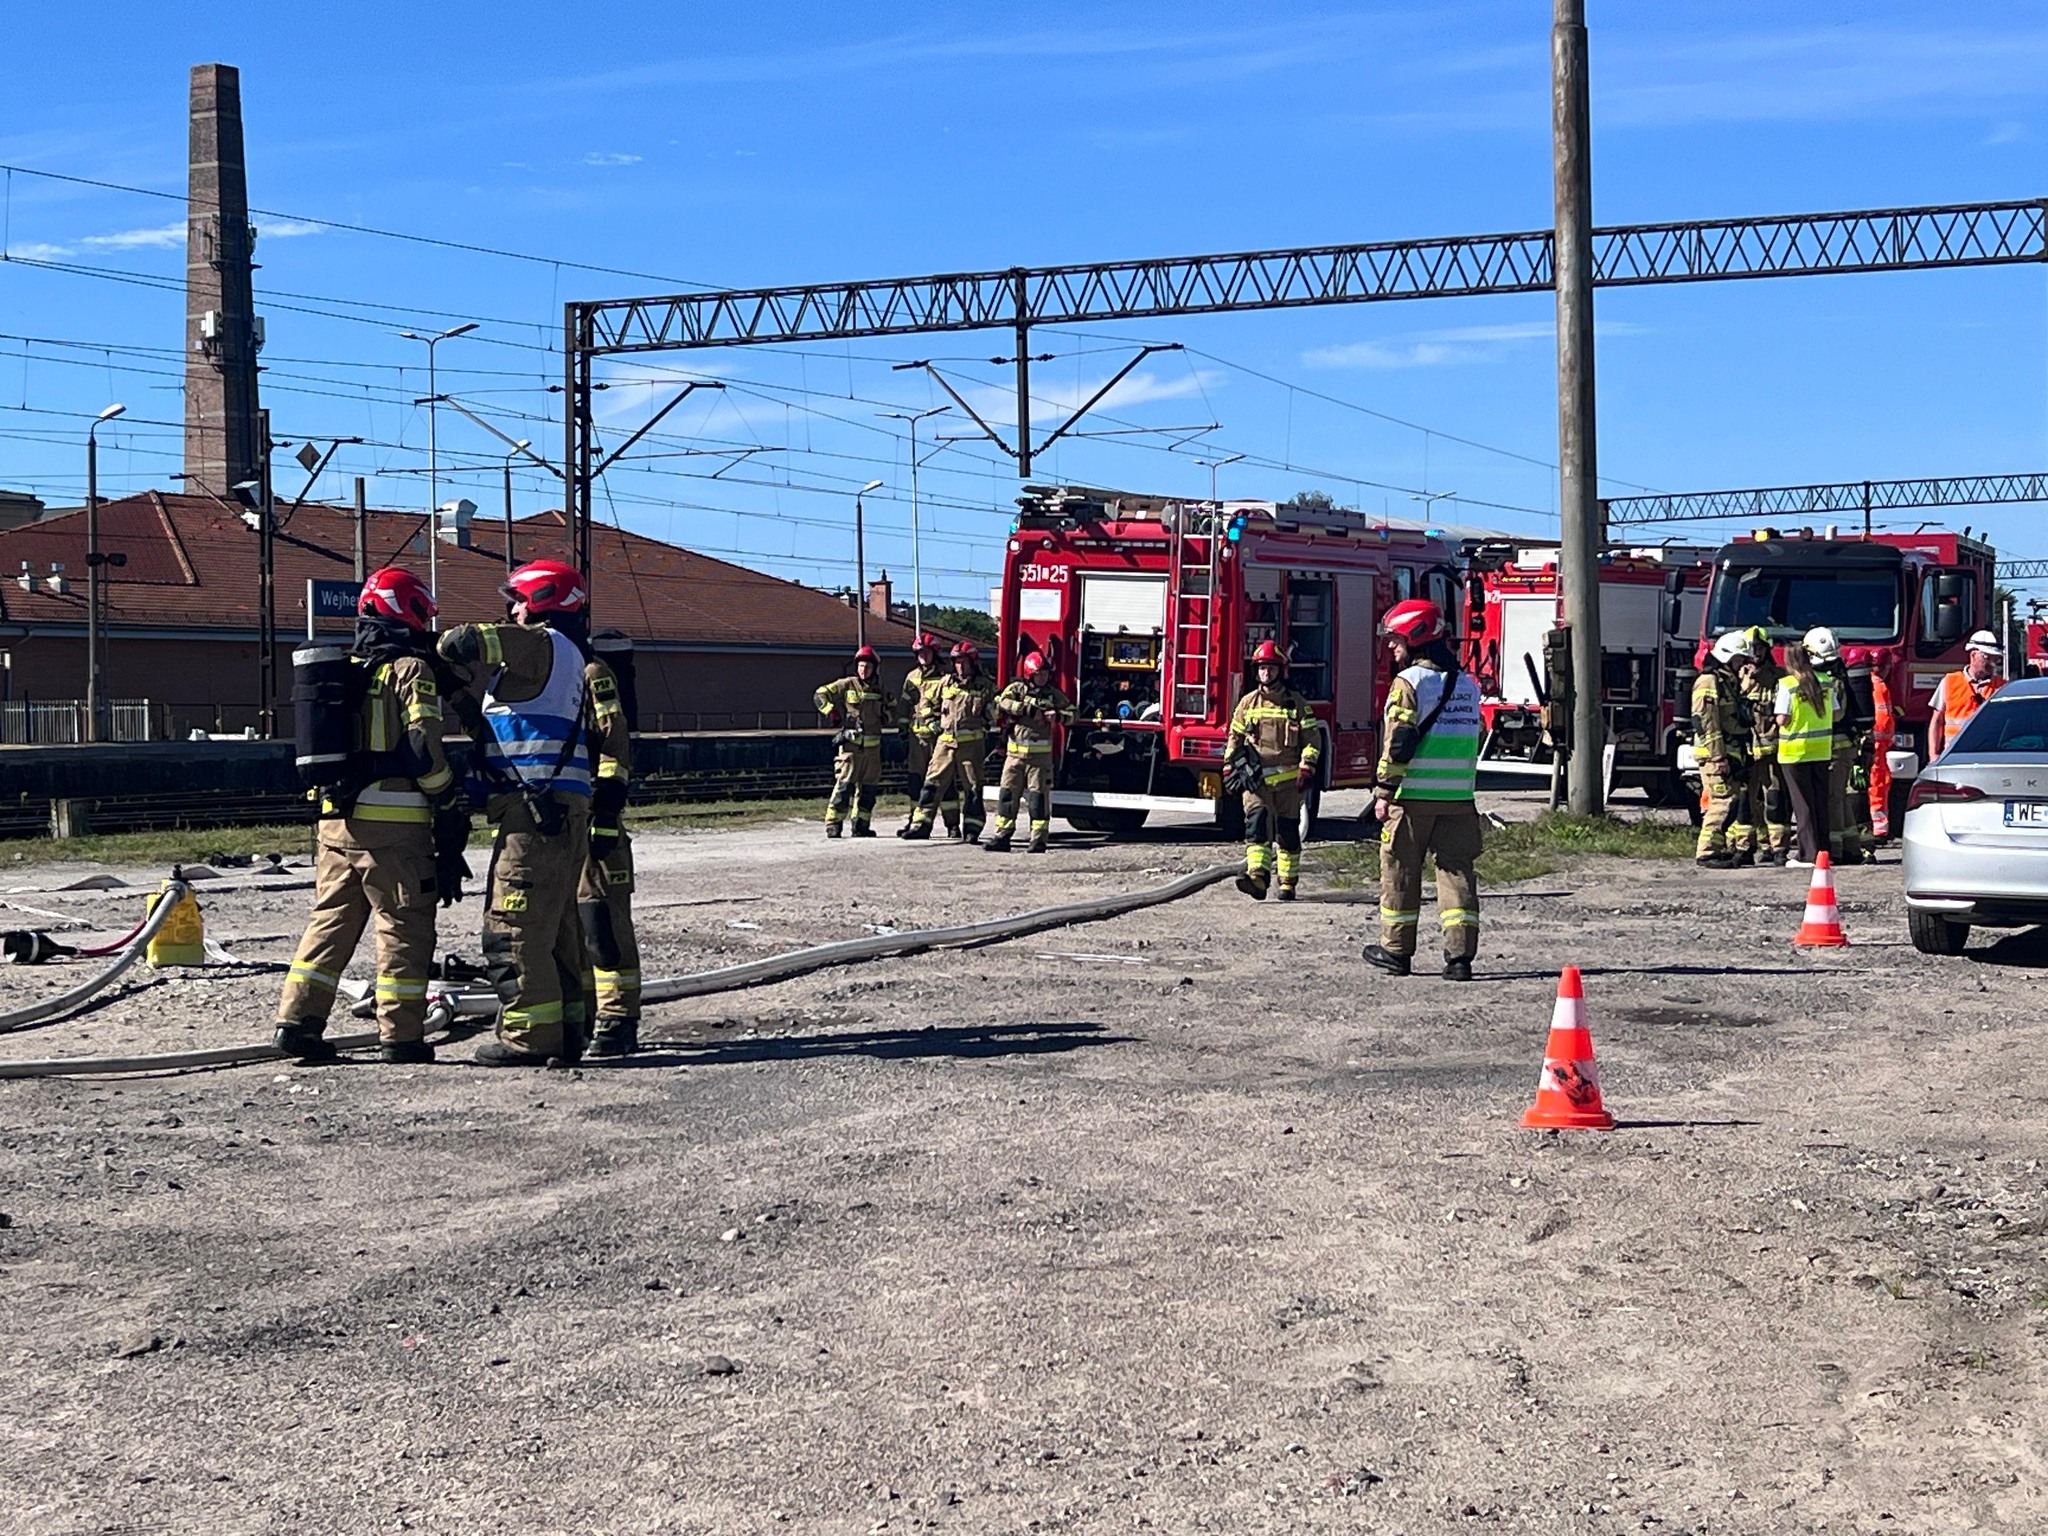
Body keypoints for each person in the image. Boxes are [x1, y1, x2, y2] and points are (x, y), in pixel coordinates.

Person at [274, 566, 462, 1065]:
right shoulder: (408, 671)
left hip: (335, 823)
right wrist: (447, 799)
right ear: (408, 612)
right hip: (395, 829)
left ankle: (297, 1022)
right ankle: (401, 1036)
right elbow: (424, 749)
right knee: (403, 926)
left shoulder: (347, 669)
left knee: (329, 923)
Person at [436, 558, 600, 1067]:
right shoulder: (567, 657)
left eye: (517, 601)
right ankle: (571, 1029)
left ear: (541, 601)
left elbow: (458, 642)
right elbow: (512, 731)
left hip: (533, 817)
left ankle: (529, 1037)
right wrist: (462, 698)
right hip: (560, 809)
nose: (510, 610)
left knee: (514, 930)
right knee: (559, 931)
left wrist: (426, 647)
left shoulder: (539, 643)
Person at [1363, 599, 1484, 979]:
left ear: (1415, 638)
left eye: (1396, 640)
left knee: (1400, 871)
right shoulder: (1467, 685)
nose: (1392, 647)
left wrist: (1383, 791)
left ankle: (1396, 952)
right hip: (1459, 800)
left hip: (1412, 800)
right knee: (1456, 875)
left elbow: (1398, 744)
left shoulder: (1409, 683)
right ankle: (1460, 959)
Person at [577, 635, 638, 1056]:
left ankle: (617, 1020)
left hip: (594, 818)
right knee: (566, 926)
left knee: (602, 921)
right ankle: (576, 1017)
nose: (513, 618)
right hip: (554, 823)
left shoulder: (591, 674)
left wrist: (605, 812)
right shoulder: (534, 677)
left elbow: (615, 748)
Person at [1225, 640, 1323, 901]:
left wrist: (1307, 768)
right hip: (1256, 782)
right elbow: (1234, 738)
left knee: (1287, 832)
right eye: (1261, 669)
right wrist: (1228, 767)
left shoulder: (1297, 704)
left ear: (1281, 670)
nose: (1265, 673)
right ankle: (1257, 878)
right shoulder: (1247, 703)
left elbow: (1313, 740)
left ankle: (1288, 883)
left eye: (1270, 668)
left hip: (1289, 785)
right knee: (1256, 826)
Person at [899, 641, 995, 843]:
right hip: (945, 743)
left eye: (963, 661)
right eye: (957, 662)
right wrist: (932, 719)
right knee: (932, 783)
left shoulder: (985, 685)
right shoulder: (946, 682)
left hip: (971, 747)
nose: (960, 666)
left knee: (973, 788)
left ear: (973, 662)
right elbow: (927, 703)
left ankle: (972, 829)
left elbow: (997, 710)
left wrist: (989, 718)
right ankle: (921, 825)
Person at [986, 651, 1075, 854]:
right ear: (1029, 674)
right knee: (1007, 795)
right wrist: (1024, 708)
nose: (1042, 677)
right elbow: (1001, 701)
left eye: (1045, 673)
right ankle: (1003, 835)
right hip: (1014, 757)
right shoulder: (1017, 689)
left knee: (1038, 799)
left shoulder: (1053, 694)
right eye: (1038, 674)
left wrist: (1058, 715)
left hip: (1040, 759)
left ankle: (1038, 839)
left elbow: (1074, 713)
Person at [1691, 631, 1755, 869]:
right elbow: (1707, 723)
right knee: (1722, 801)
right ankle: (1706, 852)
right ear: (1728, 657)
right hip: (1715, 754)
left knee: (1732, 801)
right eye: (1740, 659)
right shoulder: (1708, 682)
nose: (1742, 664)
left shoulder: (1728, 681)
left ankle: (1720, 849)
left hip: (1731, 752)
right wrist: (1718, 756)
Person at [1805, 627, 1867, 865]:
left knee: (1832, 798)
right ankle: (1851, 847)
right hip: (1845, 746)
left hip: (1835, 748)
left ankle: (1836, 849)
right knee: (1839, 797)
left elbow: (1835, 716)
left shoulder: (1830, 682)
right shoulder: (1839, 675)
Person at [815, 645, 887, 839]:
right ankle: (833, 824)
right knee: (844, 786)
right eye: (861, 666)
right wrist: (831, 711)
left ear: (874, 669)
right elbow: (820, 694)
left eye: (867, 667)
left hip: (872, 751)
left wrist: (887, 715)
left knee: (868, 790)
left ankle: (861, 825)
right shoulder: (847, 684)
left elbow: (892, 708)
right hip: (851, 748)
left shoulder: (880, 688)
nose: (864, 670)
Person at [1774, 639, 1834, 869]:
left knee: (1803, 805)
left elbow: (1782, 718)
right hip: (1821, 749)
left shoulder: (1787, 685)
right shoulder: (1825, 682)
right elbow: (1836, 714)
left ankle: (1808, 855)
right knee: (1820, 802)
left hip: (1795, 752)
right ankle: (1824, 851)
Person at [897, 632, 957, 837]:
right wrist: (902, 730)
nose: (923, 656)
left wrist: (939, 723)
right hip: (917, 740)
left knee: (944, 781)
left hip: (939, 739)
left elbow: (951, 707)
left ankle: (952, 824)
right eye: (919, 652)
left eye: (926, 652)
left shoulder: (946, 677)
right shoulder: (911, 677)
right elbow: (905, 706)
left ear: (934, 653)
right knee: (915, 780)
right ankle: (915, 820)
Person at [1738, 626, 1788, 865]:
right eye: (1752, 648)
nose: (1756, 652)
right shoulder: (1739, 675)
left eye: (1760, 647)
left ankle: (1778, 847)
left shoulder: (1779, 677)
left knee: (1774, 797)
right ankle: (1749, 845)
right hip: (1747, 749)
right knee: (1747, 798)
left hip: (1772, 749)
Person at [1927, 630, 2004, 759]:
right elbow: (1937, 720)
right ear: (1973, 655)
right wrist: (1933, 754)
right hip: (1953, 755)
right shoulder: (1950, 682)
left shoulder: (2002, 687)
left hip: (1987, 756)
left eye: (1995, 658)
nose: (1992, 662)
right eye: (1987, 657)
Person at [1864, 652, 1896, 842]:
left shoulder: (1864, 683)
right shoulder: (1879, 686)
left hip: (1871, 743)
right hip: (1878, 746)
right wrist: (1887, 740)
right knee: (1878, 785)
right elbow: (1883, 721)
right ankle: (1879, 828)